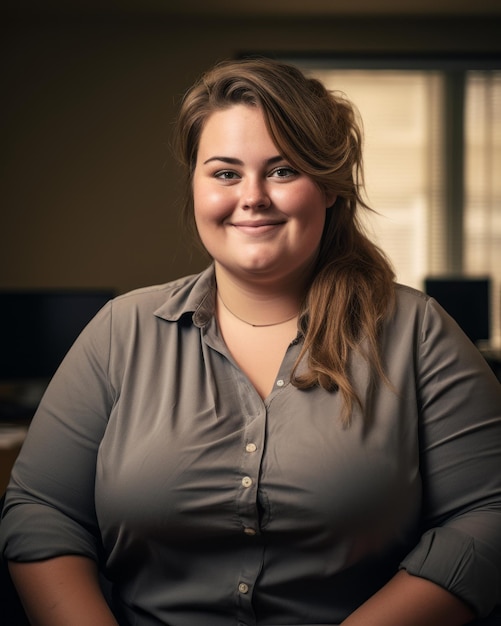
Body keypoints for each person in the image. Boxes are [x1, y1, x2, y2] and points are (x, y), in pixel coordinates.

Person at [0, 57, 500, 626]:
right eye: (225, 172)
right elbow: (42, 512)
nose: (253, 195)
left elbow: (486, 514)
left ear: (330, 187)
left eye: (283, 170)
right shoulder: (120, 331)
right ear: (195, 186)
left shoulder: (419, 332)